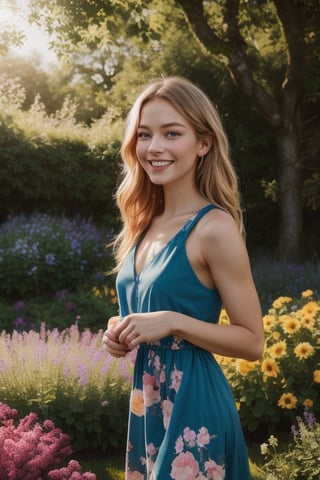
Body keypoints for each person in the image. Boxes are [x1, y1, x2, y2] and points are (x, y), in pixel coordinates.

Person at [103, 76, 264, 480]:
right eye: (144, 134)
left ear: (203, 143)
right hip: (148, 403)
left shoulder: (214, 228)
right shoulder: (143, 223)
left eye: (171, 133)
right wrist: (119, 332)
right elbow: (146, 312)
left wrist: (172, 322)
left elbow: (253, 341)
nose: (154, 147)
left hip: (195, 406)